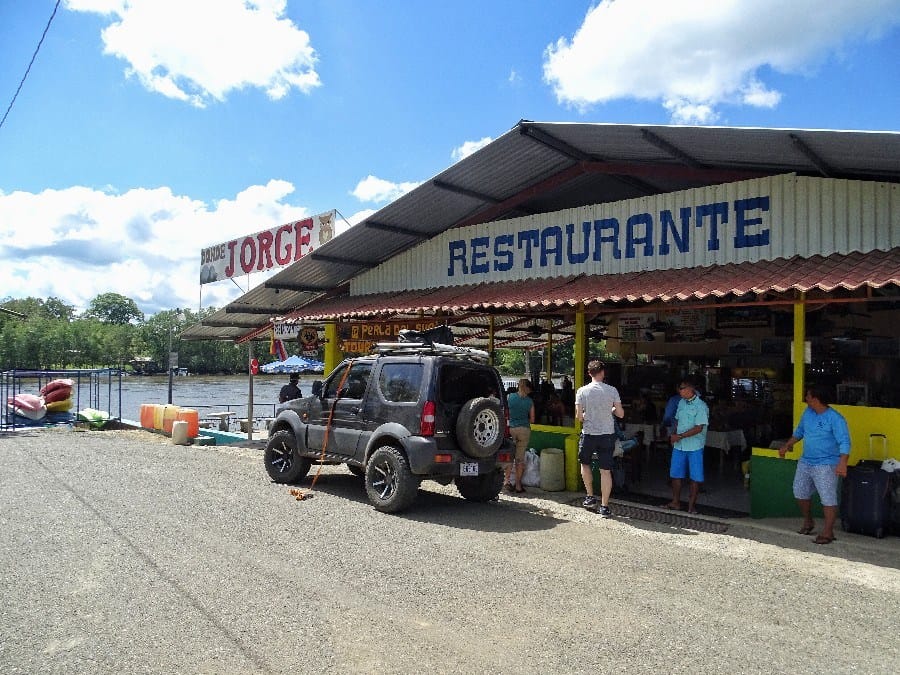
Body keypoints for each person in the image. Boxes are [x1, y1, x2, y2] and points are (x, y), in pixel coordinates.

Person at [778, 385, 850, 545]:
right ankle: (808, 521)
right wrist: (787, 445)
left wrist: (842, 463)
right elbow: (799, 432)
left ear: (816, 399)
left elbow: (844, 442)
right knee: (800, 492)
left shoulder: (835, 418)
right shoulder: (808, 413)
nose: (806, 399)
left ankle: (828, 532)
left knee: (828, 498)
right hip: (806, 461)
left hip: (826, 464)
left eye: (808, 396)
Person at [575, 360, 625, 517]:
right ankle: (604, 506)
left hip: (589, 434)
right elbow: (621, 414)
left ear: (589, 373)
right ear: (603, 372)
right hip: (607, 435)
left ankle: (590, 496)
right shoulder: (612, 390)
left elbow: (579, 417)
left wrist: (587, 414)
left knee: (585, 464)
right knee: (605, 470)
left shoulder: (582, 391)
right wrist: (609, 409)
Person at [663, 377, 709, 514]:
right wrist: (674, 434)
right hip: (679, 445)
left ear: (691, 389)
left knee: (695, 477)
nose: (680, 391)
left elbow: (699, 428)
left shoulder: (701, 406)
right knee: (675, 474)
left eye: (682, 388)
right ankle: (675, 502)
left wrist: (680, 436)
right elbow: (677, 420)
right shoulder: (681, 403)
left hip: (694, 446)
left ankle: (691, 505)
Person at [504, 378, 534, 493]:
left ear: (518, 386)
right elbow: (532, 419)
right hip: (524, 430)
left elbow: (505, 412)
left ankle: (507, 481)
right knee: (520, 459)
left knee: (509, 456)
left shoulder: (509, 397)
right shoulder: (530, 401)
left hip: (511, 429)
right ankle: (518, 485)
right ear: (527, 388)